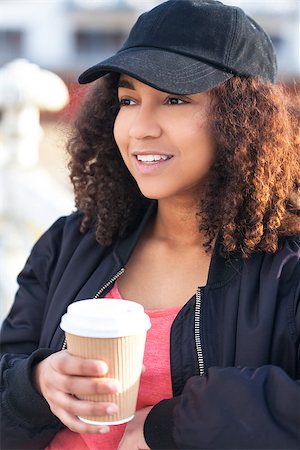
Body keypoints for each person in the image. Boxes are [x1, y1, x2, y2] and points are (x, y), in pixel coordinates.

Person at [1, 0, 299, 449]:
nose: (140, 127)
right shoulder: (72, 240)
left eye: (175, 99)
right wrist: (35, 384)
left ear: (244, 119)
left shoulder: (287, 267)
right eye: (128, 99)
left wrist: (177, 425)